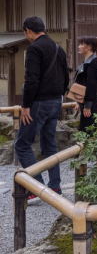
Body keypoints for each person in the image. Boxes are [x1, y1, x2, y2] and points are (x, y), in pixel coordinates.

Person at [14, 16, 69, 204]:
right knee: (49, 145)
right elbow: (66, 76)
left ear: (28, 31)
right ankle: (55, 187)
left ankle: (37, 189)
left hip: (38, 104)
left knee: (22, 144)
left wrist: (26, 106)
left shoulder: (34, 49)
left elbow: (31, 80)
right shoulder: (57, 48)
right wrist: (60, 97)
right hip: (56, 102)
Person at [74, 36, 97, 132]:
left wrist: (87, 105)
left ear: (89, 47)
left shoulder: (94, 63)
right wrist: (78, 101)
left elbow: (92, 85)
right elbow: (82, 83)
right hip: (85, 100)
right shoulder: (87, 62)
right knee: (85, 128)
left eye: (81, 44)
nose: (79, 47)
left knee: (87, 130)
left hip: (91, 100)